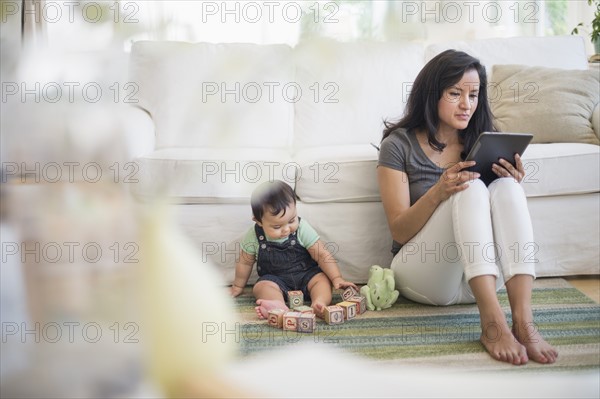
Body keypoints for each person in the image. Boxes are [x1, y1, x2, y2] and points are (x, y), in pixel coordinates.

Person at [377, 49, 558, 365]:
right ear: (432, 94)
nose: (467, 104)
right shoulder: (398, 145)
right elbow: (399, 230)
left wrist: (513, 181)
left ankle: (523, 321)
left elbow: (502, 216)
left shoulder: (486, 139)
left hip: (481, 279)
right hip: (425, 276)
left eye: (473, 94)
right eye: (454, 93)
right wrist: (438, 191)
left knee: (506, 186)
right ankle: (491, 323)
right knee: (469, 185)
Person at [230, 180, 357, 318]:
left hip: (306, 275)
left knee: (322, 280)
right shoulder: (254, 235)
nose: (286, 229)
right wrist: (238, 286)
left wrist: (337, 278)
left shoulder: (302, 228)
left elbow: (321, 254)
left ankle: (319, 303)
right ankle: (277, 304)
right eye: (277, 227)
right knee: (261, 287)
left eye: (291, 221)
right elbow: (245, 262)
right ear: (259, 221)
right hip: (275, 280)